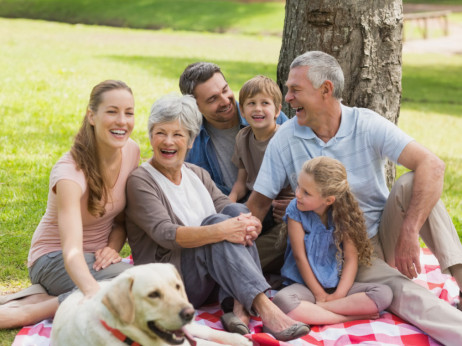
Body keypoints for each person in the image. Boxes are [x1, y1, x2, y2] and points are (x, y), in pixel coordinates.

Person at [246, 50, 462, 344]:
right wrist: (233, 244)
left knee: (417, 178)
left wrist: (409, 232)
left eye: (295, 90)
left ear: (326, 90)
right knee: (403, 294)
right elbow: (257, 204)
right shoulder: (286, 137)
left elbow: (434, 166)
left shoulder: (366, 123)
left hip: (377, 236)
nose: (287, 98)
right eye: (288, 90)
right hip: (329, 252)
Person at [124, 94, 309, 342]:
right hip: (171, 284)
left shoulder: (197, 173)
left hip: (210, 281)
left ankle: (238, 308)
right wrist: (224, 230)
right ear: (150, 136)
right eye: (160, 133)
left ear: (190, 141)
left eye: (178, 134)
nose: (168, 141)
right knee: (217, 224)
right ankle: (266, 309)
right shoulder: (141, 181)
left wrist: (249, 222)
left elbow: (227, 206)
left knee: (234, 213)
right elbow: (166, 234)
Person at [0, 80, 140, 329]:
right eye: (112, 111)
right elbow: (71, 252)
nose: (122, 121)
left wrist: (112, 247)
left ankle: (39, 298)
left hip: (97, 260)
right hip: (53, 259)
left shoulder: (131, 152)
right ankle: (28, 312)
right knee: (134, 287)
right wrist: (92, 293)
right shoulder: (69, 173)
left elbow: (121, 220)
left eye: (129, 113)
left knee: (139, 285)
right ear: (92, 116)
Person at [179, 63, 291, 274]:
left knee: (292, 234)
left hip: (273, 216)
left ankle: (229, 268)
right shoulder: (191, 140)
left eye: (225, 90)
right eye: (212, 99)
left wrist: (295, 202)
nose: (225, 101)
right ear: (195, 107)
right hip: (232, 218)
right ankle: (235, 268)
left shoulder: (266, 114)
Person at [272, 157, 392, 325]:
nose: (297, 194)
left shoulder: (343, 213)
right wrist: (320, 295)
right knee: (282, 301)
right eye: (299, 186)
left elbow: (351, 259)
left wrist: (338, 295)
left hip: (337, 286)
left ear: (328, 200)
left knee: (383, 294)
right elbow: (300, 258)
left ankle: (317, 311)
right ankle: (349, 317)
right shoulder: (295, 209)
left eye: (306, 192)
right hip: (305, 285)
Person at [229, 75, 294, 274]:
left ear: (277, 110)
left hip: (281, 210)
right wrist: (227, 204)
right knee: (231, 229)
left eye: (265, 103)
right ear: (242, 110)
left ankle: (247, 270)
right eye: (251, 103)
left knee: (265, 249)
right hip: (254, 205)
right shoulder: (243, 137)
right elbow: (242, 181)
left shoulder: (286, 137)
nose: (257, 109)